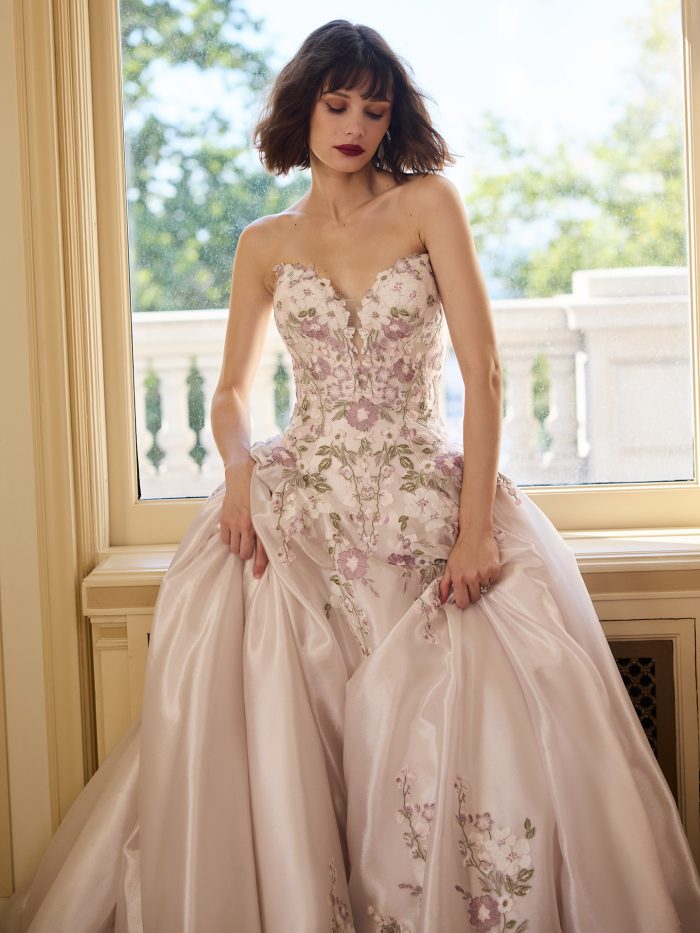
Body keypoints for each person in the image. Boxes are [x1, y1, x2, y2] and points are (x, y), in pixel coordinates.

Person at [3, 18, 700, 933]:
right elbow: (229, 393)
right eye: (338, 105)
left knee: (454, 731)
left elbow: (485, 372)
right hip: (306, 510)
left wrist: (475, 527)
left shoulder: (427, 205)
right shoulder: (264, 243)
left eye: (374, 109)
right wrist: (240, 472)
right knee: (281, 709)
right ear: (305, 108)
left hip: (425, 503)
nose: (356, 126)